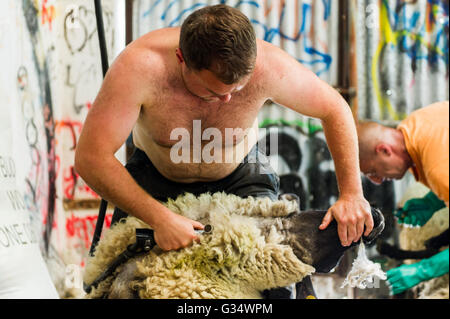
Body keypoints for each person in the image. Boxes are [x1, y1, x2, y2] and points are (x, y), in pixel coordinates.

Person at [75, 4, 373, 298]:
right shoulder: (141, 67)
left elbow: (335, 109)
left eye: (238, 90)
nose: (227, 100)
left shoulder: (269, 66)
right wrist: (160, 218)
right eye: (214, 92)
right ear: (182, 59)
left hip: (241, 175)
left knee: (271, 283)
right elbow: (91, 157)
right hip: (156, 176)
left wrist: (351, 194)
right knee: (121, 286)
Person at [357, 100, 449, 295]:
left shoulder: (437, 168)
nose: (377, 181)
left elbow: (442, 167)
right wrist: (434, 201)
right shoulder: (418, 123)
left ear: (384, 150)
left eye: (373, 171)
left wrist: (424, 270)